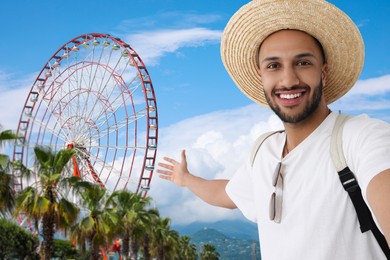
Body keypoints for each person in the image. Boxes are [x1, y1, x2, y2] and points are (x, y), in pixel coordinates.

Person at [156, 0, 390, 259]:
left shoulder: (362, 137)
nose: (288, 80)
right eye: (273, 66)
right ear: (261, 77)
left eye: (303, 63)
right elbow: (227, 193)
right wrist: (186, 179)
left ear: (323, 73)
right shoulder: (263, 150)